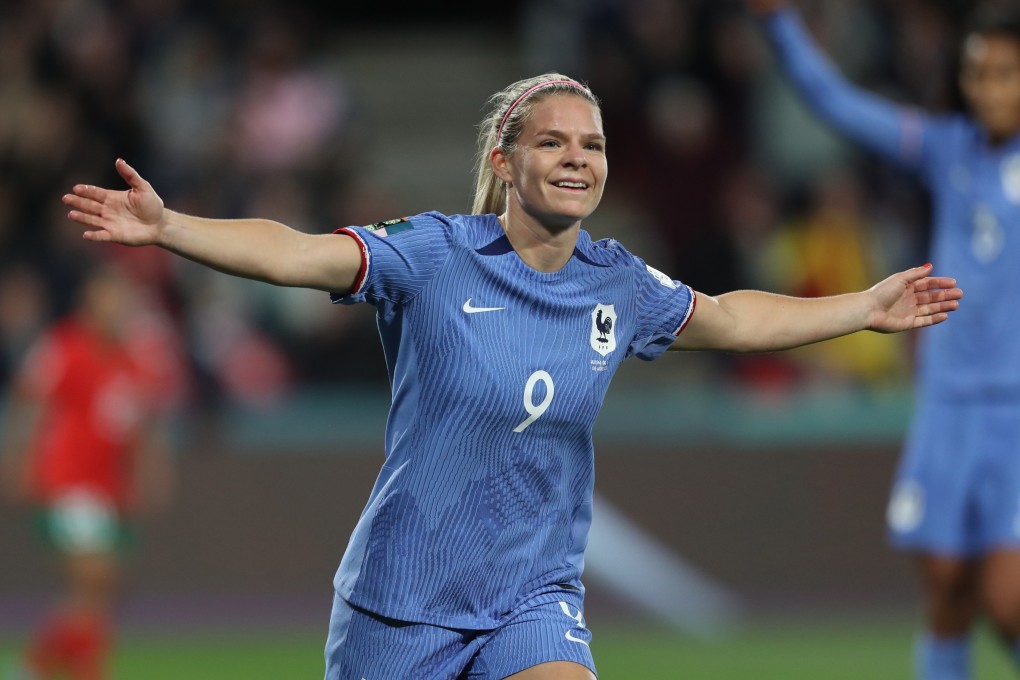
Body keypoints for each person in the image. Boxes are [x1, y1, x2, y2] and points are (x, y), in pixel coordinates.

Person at [61, 73, 960, 680]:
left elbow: (730, 317)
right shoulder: (434, 255)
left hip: (533, 595)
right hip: (401, 601)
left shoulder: (617, 281)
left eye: (594, 145)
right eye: (554, 142)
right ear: (505, 160)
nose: (578, 158)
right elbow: (296, 254)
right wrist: (173, 227)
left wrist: (862, 308)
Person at [747, 2, 1020, 678]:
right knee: (947, 583)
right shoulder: (945, 146)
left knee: (1008, 601)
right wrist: (778, 20)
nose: (988, 88)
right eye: (977, 73)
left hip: (1017, 411)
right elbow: (832, 101)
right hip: (948, 403)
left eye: (1005, 73)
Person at [0, 260, 183, 680]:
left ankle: (34, 666)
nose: (115, 308)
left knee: (96, 593)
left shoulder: (135, 359)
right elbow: (26, 403)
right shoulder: (63, 346)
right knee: (95, 578)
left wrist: (151, 472)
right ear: (88, 302)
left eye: (121, 300)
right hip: (66, 482)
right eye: (107, 298)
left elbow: (144, 424)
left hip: (108, 489)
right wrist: (17, 463)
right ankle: (87, 671)